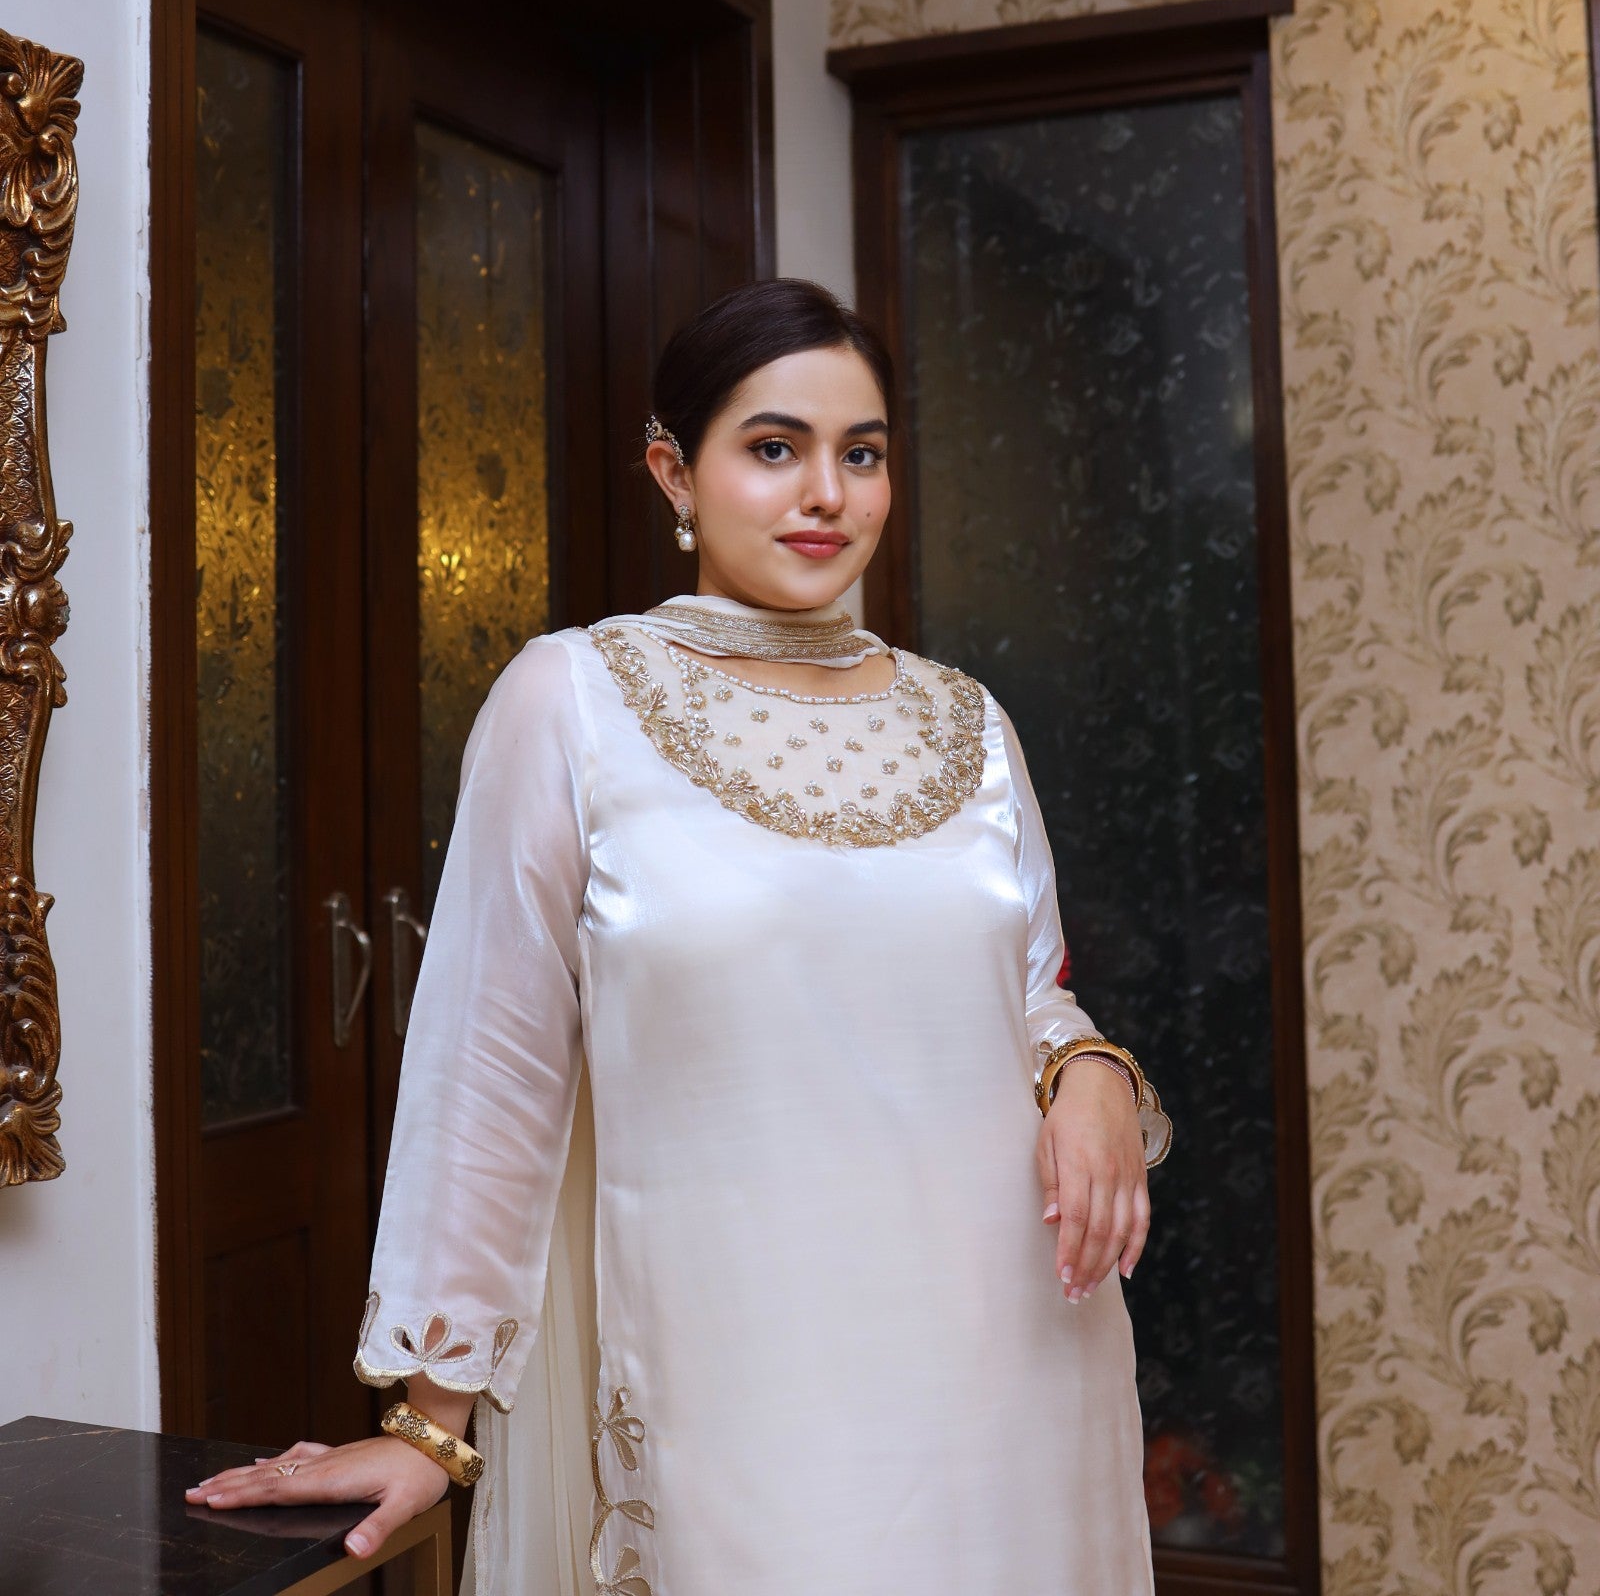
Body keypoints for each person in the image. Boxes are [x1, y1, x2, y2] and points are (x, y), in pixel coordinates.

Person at [187, 279, 1170, 1595]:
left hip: (1008, 1367)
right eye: (774, 449)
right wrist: (432, 1421)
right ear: (675, 471)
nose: (826, 492)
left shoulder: (969, 726)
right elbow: (495, 1068)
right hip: (738, 1384)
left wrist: (1093, 1071)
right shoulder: (572, 705)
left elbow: (1030, 998)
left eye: (860, 454)